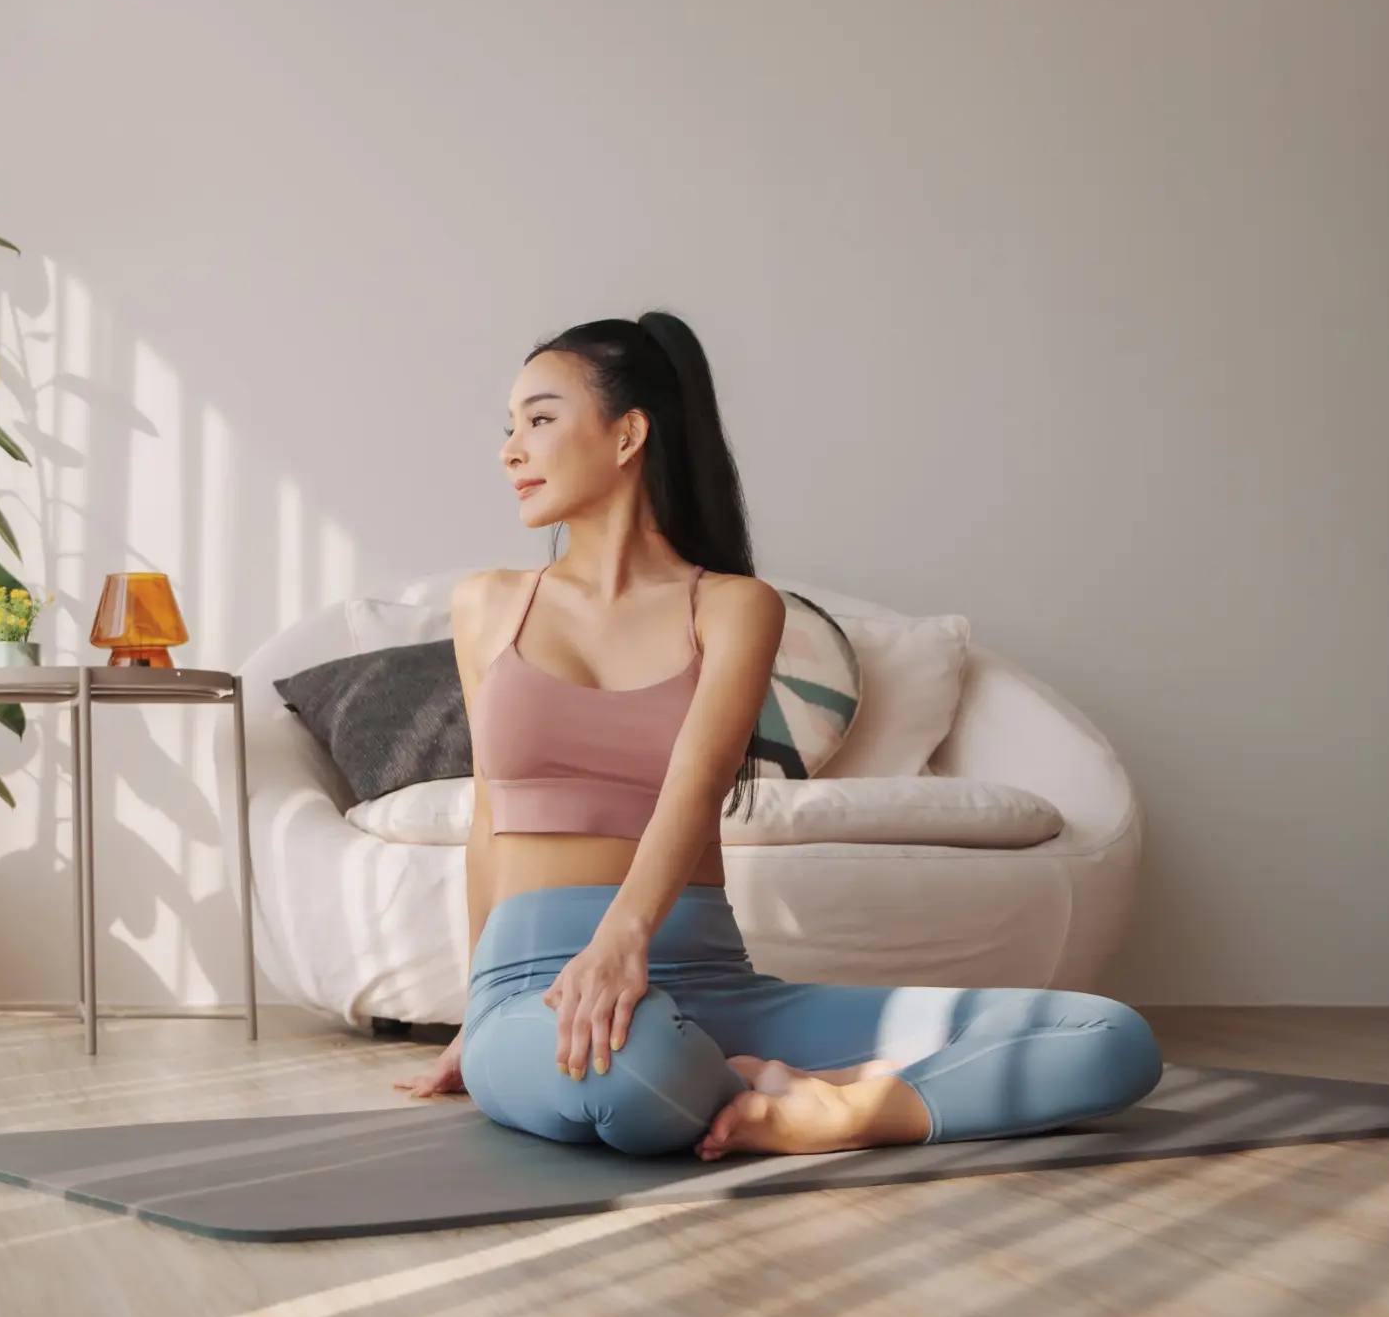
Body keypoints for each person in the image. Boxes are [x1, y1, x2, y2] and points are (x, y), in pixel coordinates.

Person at [387, 312, 1163, 1159]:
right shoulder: (489, 604)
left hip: (708, 978)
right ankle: (763, 1085)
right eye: (510, 427)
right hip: (531, 988)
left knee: (1108, 1035)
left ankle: (840, 1114)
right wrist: (476, 1013)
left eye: (538, 419)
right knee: (630, 1073)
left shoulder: (734, 607)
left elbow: (697, 778)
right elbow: (486, 822)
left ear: (627, 435)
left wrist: (622, 941)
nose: (510, 450)